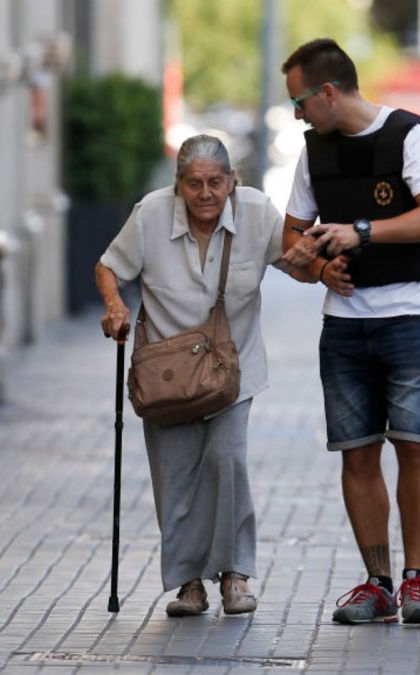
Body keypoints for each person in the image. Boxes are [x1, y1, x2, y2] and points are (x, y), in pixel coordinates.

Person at [278, 38, 420, 625]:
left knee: (414, 445)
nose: (297, 114)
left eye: (300, 101)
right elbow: (290, 239)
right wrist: (318, 266)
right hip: (345, 326)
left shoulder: (410, 136)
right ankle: (377, 583)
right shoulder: (313, 152)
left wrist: (361, 231)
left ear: (327, 92)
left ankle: (416, 581)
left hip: (414, 315)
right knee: (356, 454)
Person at [96, 135, 299, 617]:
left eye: (215, 182)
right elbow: (108, 267)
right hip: (167, 373)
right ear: (179, 186)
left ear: (232, 182)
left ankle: (234, 574)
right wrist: (115, 306)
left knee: (227, 460)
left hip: (232, 369)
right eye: (194, 184)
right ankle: (189, 583)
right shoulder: (150, 214)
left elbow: (295, 261)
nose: (205, 193)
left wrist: (325, 264)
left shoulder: (256, 212)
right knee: (176, 475)